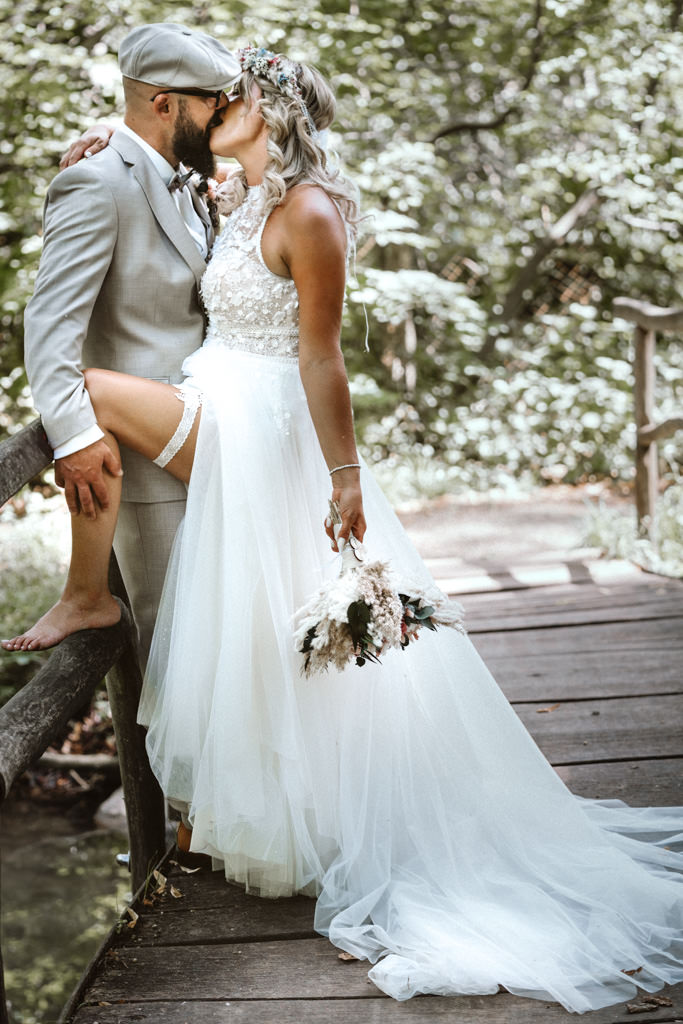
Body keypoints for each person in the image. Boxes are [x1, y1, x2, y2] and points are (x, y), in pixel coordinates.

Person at [5, 45, 683, 1014]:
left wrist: (345, 476)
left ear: (271, 114)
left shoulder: (311, 212)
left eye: (235, 99)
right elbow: (154, 171)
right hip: (223, 401)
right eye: (213, 99)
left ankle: (86, 595)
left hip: (259, 423)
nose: (219, 109)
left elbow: (321, 358)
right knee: (263, 637)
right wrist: (107, 138)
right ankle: (280, 820)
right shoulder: (237, 194)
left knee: (92, 399)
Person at [22, 23, 241, 667]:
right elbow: (51, 323)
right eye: (212, 102)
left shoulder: (192, 178)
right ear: (164, 104)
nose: (223, 112)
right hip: (148, 474)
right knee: (178, 663)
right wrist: (74, 437)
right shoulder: (96, 183)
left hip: (219, 438)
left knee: (230, 653)